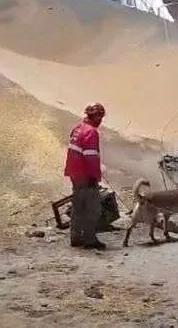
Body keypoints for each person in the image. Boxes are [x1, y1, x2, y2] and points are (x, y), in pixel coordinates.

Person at [64, 102, 106, 250]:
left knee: (78, 206)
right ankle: (90, 239)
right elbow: (91, 157)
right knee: (92, 208)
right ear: (96, 116)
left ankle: (75, 237)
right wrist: (95, 176)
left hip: (74, 173)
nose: (100, 120)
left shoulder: (77, 128)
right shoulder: (91, 132)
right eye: (100, 117)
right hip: (85, 175)